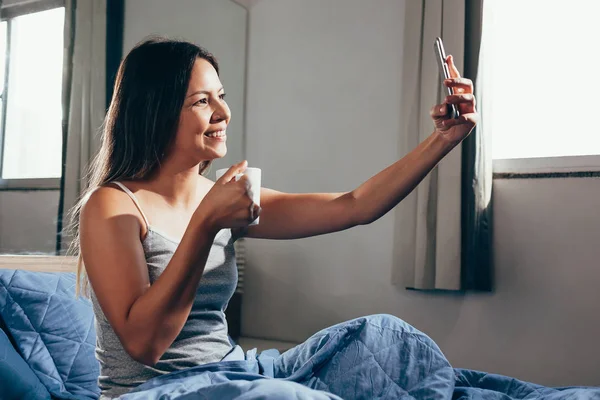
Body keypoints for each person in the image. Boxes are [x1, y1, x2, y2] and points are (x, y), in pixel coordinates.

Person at [74, 37, 478, 399]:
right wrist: (206, 224)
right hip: (157, 390)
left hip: (233, 372)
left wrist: (443, 140)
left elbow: (354, 206)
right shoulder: (112, 205)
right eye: (201, 101)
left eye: (221, 95)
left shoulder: (217, 198)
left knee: (386, 340)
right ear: (156, 112)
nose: (223, 112)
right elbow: (145, 344)